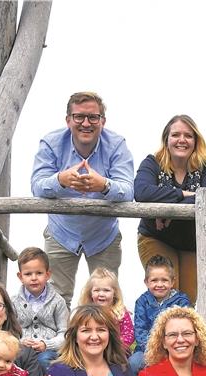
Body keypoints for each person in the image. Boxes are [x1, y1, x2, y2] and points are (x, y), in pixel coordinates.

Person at [30, 91, 134, 305]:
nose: (86, 123)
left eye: (93, 117)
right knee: (55, 300)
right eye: (79, 117)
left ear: (102, 121)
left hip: (103, 235)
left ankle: (104, 338)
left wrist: (103, 185)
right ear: (68, 120)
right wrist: (61, 180)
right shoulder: (51, 143)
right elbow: (37, 186)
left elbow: (128, 190)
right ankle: (58, 340)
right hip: (62, 232)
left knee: (106, 298)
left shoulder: (116, 145)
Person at [133, 114, 206, 302]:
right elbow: (142, 192)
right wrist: (183, 194)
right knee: (167, 293)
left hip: (192, 242)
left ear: (196, 140)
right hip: (157, 236)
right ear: (167, 139)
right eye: (176, 135)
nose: (182, 140)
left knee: (188, 300)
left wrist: (169, 212)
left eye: (188, 136)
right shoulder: (153, 162)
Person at [130, 256, 191, 373]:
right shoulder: (142, 302)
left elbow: (186, 326)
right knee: (133, 363)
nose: (159, 284)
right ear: (146, 282)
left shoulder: (181, 301)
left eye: (164, 280)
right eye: (154, 280)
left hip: (175, 346)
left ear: (172, 281)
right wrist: (154, 349)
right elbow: (140, 330)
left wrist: (169, 348)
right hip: (146, 349)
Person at [12, 247, 69, 369]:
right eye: (28, 274)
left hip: (48, 350)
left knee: (44, 361)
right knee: (14, 360)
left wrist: (46, 344)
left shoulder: (58, 301)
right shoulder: (13, 302)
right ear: (20, 276)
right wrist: (20, 341)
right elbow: (8, 331)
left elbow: (64, 334)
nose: (34, 278)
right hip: (21, 348)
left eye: (39, 273)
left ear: (47, 274)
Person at [79, 267, 134, 352]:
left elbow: (129, 335)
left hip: (117, 352)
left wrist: (113, 347)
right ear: (90, 293)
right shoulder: (85, 313)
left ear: (114, 293)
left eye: (106, 290)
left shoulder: (120, 313)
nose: (101, 294)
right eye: (96, 290)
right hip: (91, 350)